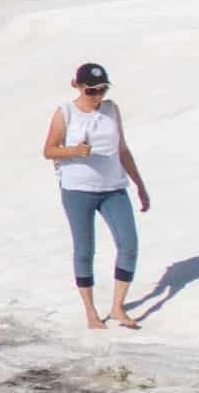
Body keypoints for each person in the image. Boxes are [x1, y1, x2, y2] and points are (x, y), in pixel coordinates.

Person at [43, 62, 153, 330]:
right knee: (85, 250)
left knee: (128, 244)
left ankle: (117, 307)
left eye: (102, 89)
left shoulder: (111, 110)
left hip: (113, 187)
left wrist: (139, 183)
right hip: (78, 190)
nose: (97, 96)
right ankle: (91, 312)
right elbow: (49, 150)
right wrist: (73, 152)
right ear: (77, 86)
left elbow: (122, 149)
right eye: (91, 90)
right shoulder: (65, 113)